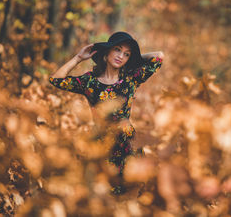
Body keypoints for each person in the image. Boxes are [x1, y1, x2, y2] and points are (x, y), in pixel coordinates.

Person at [48, 31, 163, 194]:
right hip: (102, 147)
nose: (121, 56)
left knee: (131, 196)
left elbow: (159, 56)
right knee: (104, 197)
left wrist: (134, 59)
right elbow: (56, 79)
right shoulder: (90, 81)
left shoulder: (131, 79)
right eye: (117, 50)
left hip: (128, 146)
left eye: (126, 54)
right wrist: (78, 58)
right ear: (107, 51)